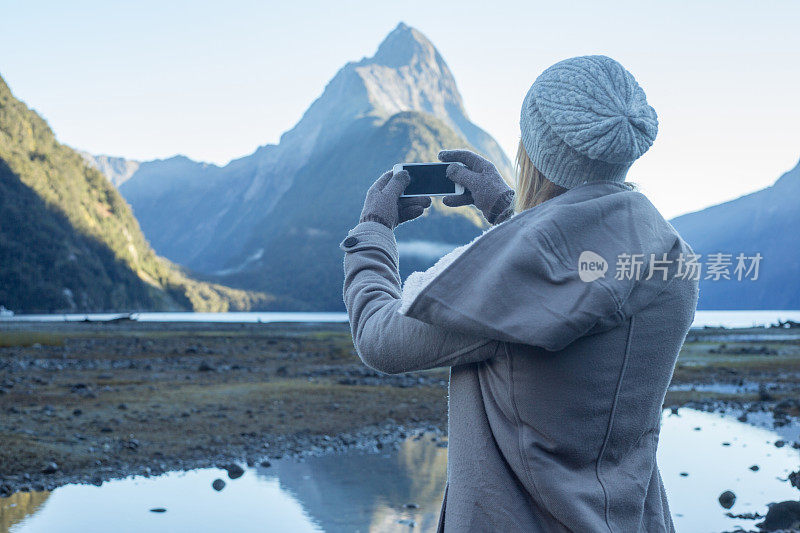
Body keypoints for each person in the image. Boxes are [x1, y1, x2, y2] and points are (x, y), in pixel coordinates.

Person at [340, 55, 698, 532]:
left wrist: (373, 230)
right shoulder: (671, 258)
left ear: (534, 150)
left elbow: (379, 338)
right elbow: (571, 278)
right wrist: (511, 213)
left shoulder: (517, 276)